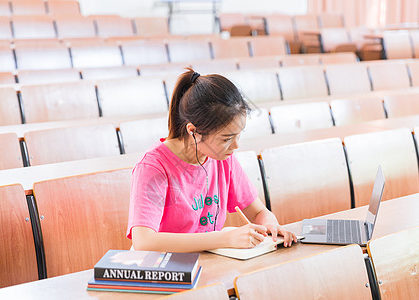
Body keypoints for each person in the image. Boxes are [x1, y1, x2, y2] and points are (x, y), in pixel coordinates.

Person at [127, 68, 297, 252]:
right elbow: (144, 242)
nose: (235, 146)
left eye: (238, 135)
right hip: (168, 270)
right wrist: (223, 238)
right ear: (193, 132)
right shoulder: (153, 166)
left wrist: (271, 226)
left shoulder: (223, 158)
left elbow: (258, 212)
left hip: (208, 262)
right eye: (226, 139)